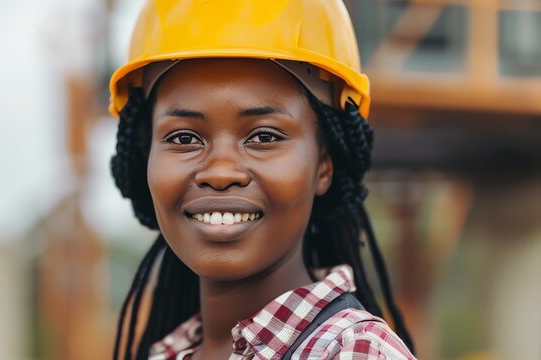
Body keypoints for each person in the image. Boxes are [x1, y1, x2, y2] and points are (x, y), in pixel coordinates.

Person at [108, 0, 417, 359]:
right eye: (183, 138)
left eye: (264, 136)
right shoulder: (167, 353)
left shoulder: (353, 353)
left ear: (323, 166)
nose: (220, 172)